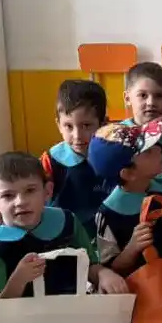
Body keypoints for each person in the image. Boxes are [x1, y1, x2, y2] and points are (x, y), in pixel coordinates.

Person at [0, 152, 126, 301]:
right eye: (8, 195)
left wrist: (103, 274)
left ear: (47, 191)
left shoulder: (67, 221)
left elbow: (90, 264)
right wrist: (18, 281)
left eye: (30, 190)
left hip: (72, 313)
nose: (21, 201)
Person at [87, 121, 162, 277]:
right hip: (146, 292)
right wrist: (133, 247)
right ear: (128, 174)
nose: (159, 149)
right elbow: (112, 269)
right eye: (148, 151)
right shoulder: (108, 214)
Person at [42, 79, 110, 234]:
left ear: (103, 124)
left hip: (106, 232)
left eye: (86, 126)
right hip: (65, 234)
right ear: (58, 125)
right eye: (68, 126)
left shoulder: (113, 155)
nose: (77, 135)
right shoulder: (50, 161)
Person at [120, 62, 162, 205]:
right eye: (143, 95)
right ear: (127, 98)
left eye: (159, 96)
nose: (151, 102)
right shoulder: (118, 138)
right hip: (132, 213)